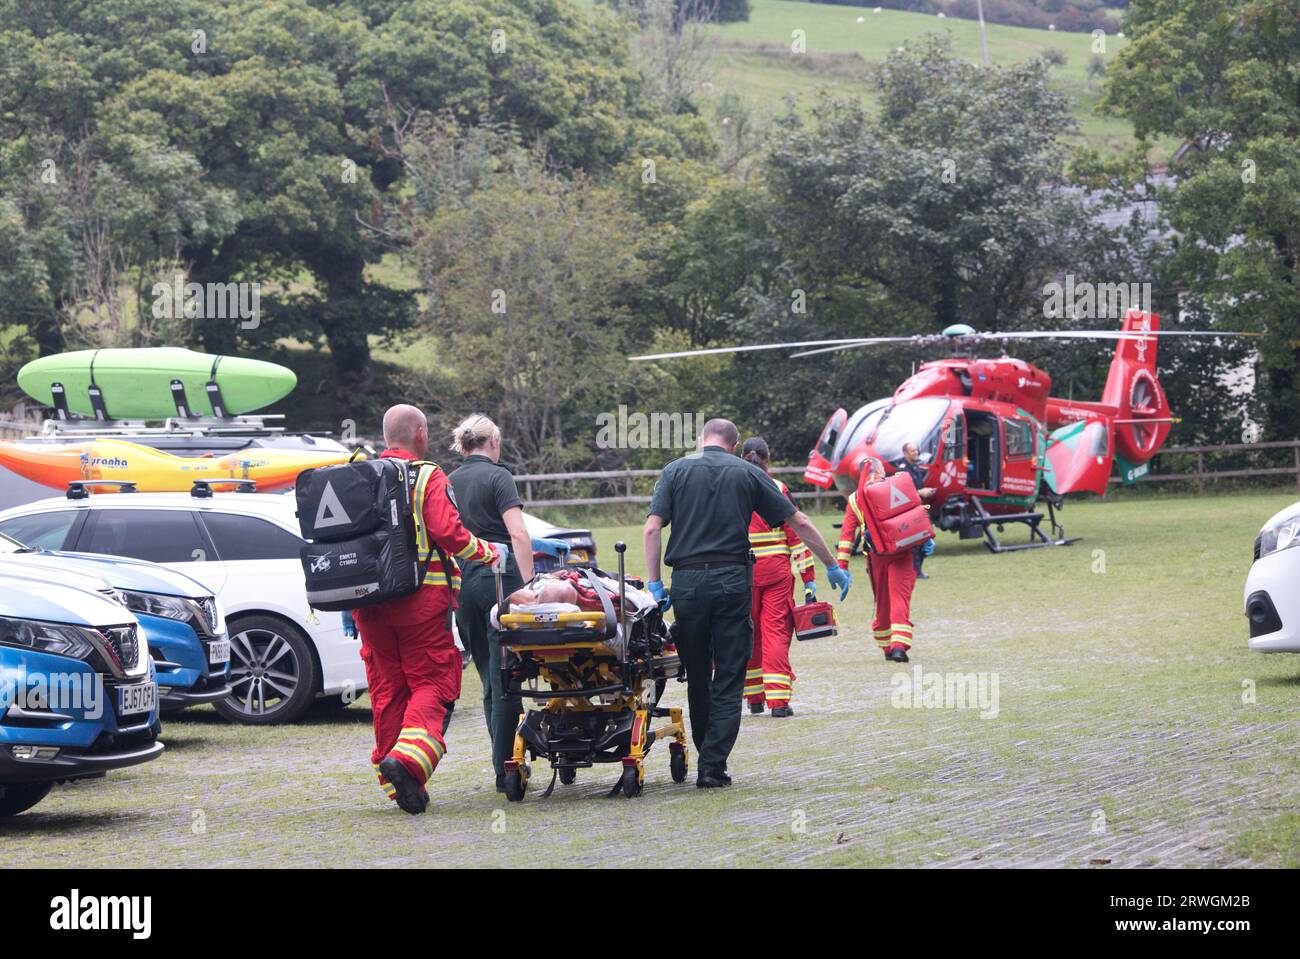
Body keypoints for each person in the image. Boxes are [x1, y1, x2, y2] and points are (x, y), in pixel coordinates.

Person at [643, 418, 850, 788]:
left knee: (698, 673)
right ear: (736, 446)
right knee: (729, 673)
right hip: (732, 583)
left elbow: (651, 528)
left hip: (687, 584)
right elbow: (798, 522)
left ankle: (706, 752)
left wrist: (656, 583)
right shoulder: (748, 474)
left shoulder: (674, 471)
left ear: (702, 440)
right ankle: (712, 765)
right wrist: (832, 565)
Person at [352, 404, 499, 814]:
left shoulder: (357, 475)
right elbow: (448, 533)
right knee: (432, 682)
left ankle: (399, 781)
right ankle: (407, 762)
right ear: (419, 433)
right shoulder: (425, 475)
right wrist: (488, 553)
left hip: (368, 605)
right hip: (420, 603)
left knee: (388, 687)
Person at [446, 414, 570, 792]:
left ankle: (504, 761)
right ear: (493, 443)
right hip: (498, 579)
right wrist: (532, 582)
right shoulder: (498, 476)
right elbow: (517, 532)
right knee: (508, 678)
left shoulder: (447, 481)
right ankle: (509, 769)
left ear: (463, 446)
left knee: (489, 677)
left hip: (461, 582)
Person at [740, 437, 816, 718]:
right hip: (776, 573)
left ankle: (755, 698)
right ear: (768, 458)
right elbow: (795, 534)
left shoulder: (732, 487)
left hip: (742, 573)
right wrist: (809, 577)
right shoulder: (779, 488)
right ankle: (779, 703)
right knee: (775, 633)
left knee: (749, 634)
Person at [838, 456, 918, 664]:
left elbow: (847, 536)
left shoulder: (855, 499)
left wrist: (842, 567)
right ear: (880, 470)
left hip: (875, 556)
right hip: (902, 551)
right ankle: (899, 645)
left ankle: (886, 646)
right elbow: (914, 512)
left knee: (882, 601)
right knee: (899, 597)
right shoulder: (894, 487)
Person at [901, 441, 937, 579]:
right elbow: (900, 494)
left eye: (916, 450)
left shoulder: (916, 467)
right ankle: (915, 571)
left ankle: (918, 569)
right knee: (915, 543)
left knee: (926, 539)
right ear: (905, 453)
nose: (915, 453)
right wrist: (920, 492)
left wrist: (925, 492)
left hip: (919, 508)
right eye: (912, 451)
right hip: (909, 511)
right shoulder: (902, 470)